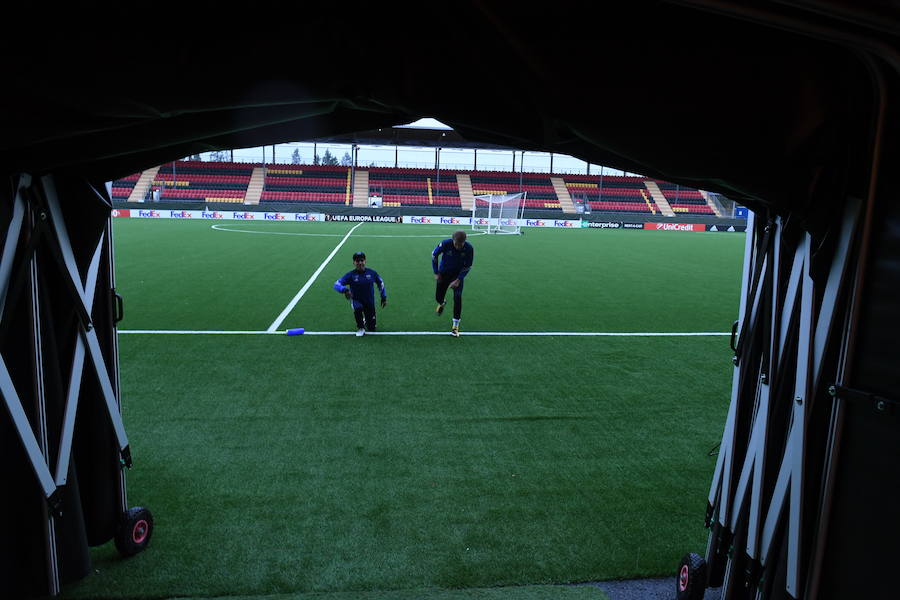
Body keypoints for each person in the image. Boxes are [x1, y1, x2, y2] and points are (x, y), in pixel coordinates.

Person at [333, 251, 387, 337]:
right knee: (358, 308)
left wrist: (383, 297)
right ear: (354, 263)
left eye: (362, 260)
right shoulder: (350, 275)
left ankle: (367, 320)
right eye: (357, 261)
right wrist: (345, 290)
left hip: (369, 302)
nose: (360, 263)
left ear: (365, 261)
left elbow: (381, 283)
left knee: (372, 328)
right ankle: (360, 327)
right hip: (356, 300)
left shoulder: (372, 273)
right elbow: (336, 284)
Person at [432, 230, 474, 337]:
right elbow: (434, 255)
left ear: (465, 241)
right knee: (438, 297)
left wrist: (459, 279)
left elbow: (468, 266)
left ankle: (455, 326)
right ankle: (442, 302)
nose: (458, 247)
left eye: (461, 244)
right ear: (453, 240)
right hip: (444, 274)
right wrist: (436, 272)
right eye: (456, 244)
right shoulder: (446, 243)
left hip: (457, 276)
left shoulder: (469, 249)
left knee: (458, 297)